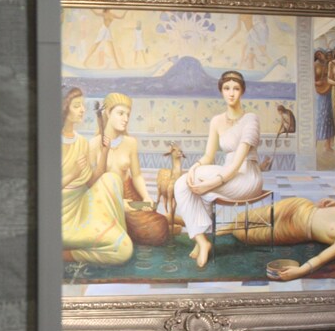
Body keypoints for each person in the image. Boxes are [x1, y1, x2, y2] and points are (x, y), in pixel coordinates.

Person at [174, 71, 263, 268]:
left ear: (242, 91)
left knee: (198, 186)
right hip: (227, 173)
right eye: (226, 88)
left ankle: (201, 239)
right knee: (182, 184)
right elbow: (208, 156)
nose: (231, 93)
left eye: (236, 89)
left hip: (247, 177)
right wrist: (194, 168)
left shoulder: (251, 119)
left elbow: (237, 164)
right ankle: (202, 240)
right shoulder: (216, 121)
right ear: (221, 91)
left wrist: (210, 183)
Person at [223, 197, 335, 281]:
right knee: (249, 216)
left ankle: (222, 232)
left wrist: (300, 271)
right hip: (300, 206)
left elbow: (320, 259)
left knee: (247, 235)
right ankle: (222, 230)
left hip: (296, 228)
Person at [61, 87, 132, 265]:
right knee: (123, 250)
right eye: (76, 106)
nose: (82, 110)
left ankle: (111, 234)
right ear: (63, 109)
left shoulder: (81, 142)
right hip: (61, 217)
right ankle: (66, 254)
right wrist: (73, 174)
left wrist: (105, 152)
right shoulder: (50, 142)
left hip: (81, 205)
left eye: (82, 105)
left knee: (112, 179)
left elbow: (91, 181)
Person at [90, 93, 170, 246]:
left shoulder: (130, 142)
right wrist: (117, 202)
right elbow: (90, 184)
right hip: (106, 200)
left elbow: (137, 175)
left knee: (158, 228)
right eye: (121, 113)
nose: (126, 119)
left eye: (128, 114)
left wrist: (146, 197)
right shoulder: (93, 144)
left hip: (130, 196)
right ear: (108, 113)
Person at [314, 48, 335, 152]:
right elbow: (311, 79)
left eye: (321, 54)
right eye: (317, 55)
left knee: (328, 116)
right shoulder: (315, 65)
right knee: (319, 116)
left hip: (329, 91)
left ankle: (328, 144)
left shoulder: (329, 64)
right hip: (319, 93)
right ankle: (315, 143)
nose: (320, 56)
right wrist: (316, 83)